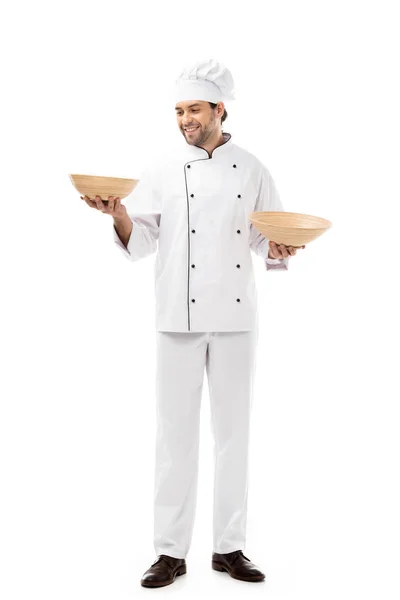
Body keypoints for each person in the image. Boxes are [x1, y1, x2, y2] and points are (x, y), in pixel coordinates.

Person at [81, 58, 305, 588]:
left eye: (194, 109)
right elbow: (142, 239)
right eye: (179, 110)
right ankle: (169, 552)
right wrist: (116, 212)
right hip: (175, 315)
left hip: (234, 314)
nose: (185, 118)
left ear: (219, 110)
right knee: (174, 435)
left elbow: (264, 236)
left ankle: (229, 547)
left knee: (234, 435)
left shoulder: (252, 168)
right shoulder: (160, 167)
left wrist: (279, 247)